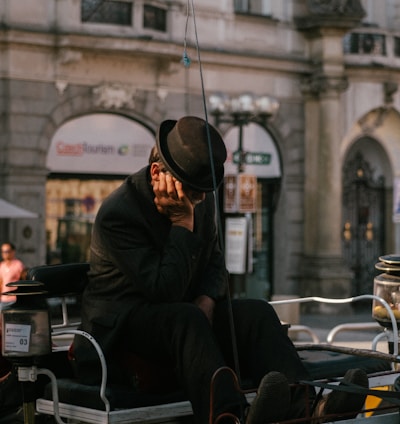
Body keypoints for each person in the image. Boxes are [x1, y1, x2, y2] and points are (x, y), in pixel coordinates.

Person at [73, 116, 368, 423]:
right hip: (123, 330)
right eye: (194, 191)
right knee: (185, 318)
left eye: (205, 191)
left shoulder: (199, 198)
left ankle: (305, 404)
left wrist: (207, 297)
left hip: (185, 323)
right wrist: (181, 225)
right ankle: (229, 416)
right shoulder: (118, 214)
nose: (201, 199)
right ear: (158, 172)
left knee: (258, 313)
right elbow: (164, 291)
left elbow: (215, 262)